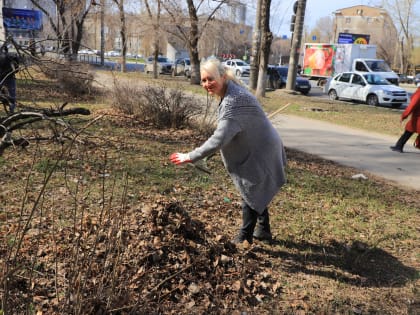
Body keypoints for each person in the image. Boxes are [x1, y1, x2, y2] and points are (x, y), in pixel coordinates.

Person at [169, 58, 287, 244]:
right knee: (255, 190)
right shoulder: (231, 92)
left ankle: (243, 238)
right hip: (259, 147)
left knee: (250, 189)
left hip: (262, 152)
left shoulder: (234, 101)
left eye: (210, 79)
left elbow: (218, 139)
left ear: (223, 76)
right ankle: (263, 229)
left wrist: (190, 156)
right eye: (203, 80)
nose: (206, 84)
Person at [390, 83, 420, 153]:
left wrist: (404, 115)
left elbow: (412, 105)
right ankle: (399, 146)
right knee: (408, 132)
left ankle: (399, 146)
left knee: (408, 131)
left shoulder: (419, 93)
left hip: (417, 119)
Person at [0, 44, 19, 113]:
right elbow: (16, 69)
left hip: (1, 78)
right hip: (11, 77)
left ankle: (6, 101)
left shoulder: (1, 57)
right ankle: (12, 109)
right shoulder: (12, 56)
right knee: (13, 95)